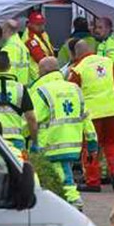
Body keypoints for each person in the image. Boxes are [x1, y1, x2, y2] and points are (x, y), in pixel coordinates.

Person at [31, 57, 97, 209]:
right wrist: (92, 141)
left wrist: (27, 137)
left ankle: (73, 201)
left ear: (44, 71)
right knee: (63, 172)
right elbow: (85, 117)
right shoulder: (75, 89)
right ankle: (67, 202)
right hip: (73, 142)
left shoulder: (41, 91)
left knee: (63, 176)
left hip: (50, 142)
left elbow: (33, 118)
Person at [68, 41, 114, 192]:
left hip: (92, 114)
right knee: (111, 145)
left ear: (76, 54)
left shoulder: (78, 69)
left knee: (91, 148)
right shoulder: (108, 62)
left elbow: (72, 93)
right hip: (111, 111)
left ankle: (93, 182)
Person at [24, 11, 55, 80]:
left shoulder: (43, 34)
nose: (41, 26)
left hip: (46, 71)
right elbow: (40, 58)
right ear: (30, 24)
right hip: (37, 75)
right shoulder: (30, 38)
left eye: (42, 23)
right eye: (38, 24)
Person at [0, 19, 32, 85]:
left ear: (6, 29)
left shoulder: (10, 47)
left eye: (2, 29)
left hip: (13, 88)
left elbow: (8, 72)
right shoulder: (21, 45)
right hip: (22, 86)